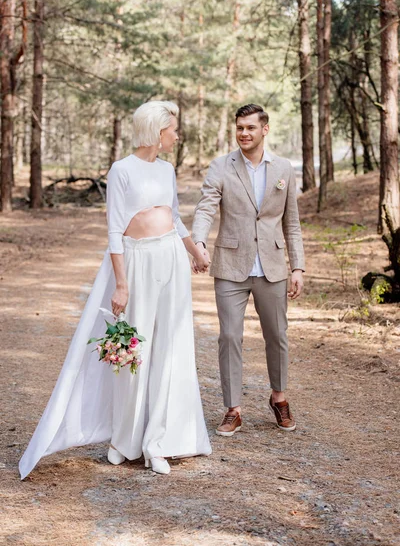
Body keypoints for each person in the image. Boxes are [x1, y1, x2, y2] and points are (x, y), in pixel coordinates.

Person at [19, 101, 212, 479]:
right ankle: (124, 440)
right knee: (133, 352)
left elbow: (175, 218)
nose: (177, 134)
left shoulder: (168, 169)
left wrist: (195, 253)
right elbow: (114, 230)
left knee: (169, 350)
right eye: (173, 128)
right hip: (137, 263)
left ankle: (157, 442)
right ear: (158, 132)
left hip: (171, 259)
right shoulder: (122, 170)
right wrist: (121, 283)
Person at [191, 103, 305, 437]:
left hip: (272, 266)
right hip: (230, 266)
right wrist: (197, 241)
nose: (244, 133)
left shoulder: (283, 168)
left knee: (277, 335)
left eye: (250, 128)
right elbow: (206, 206)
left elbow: (292, 222)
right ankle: (233, 408)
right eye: (239, 128)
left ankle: (279, 397)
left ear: (264, 129)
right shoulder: (221, 166)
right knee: (229, 336)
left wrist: (297, 265)